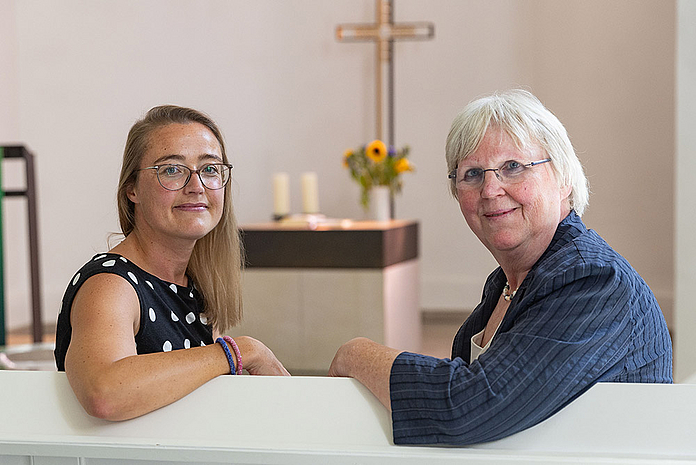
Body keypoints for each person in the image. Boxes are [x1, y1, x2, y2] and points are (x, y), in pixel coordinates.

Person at [328, 89, 672, 445]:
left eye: (513, 167)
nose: (491, 189)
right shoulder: (505, 285)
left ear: (564, 177)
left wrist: (355, 353)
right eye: (473, 173)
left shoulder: (595, 281)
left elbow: (465, 408)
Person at [54, 105, 289, 421]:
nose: (197, 186)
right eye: (172, 170)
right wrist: (239, 351)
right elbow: (105, 394)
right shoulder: (111, 285)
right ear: (132, 189)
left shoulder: (195, 287)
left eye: (210, 169)